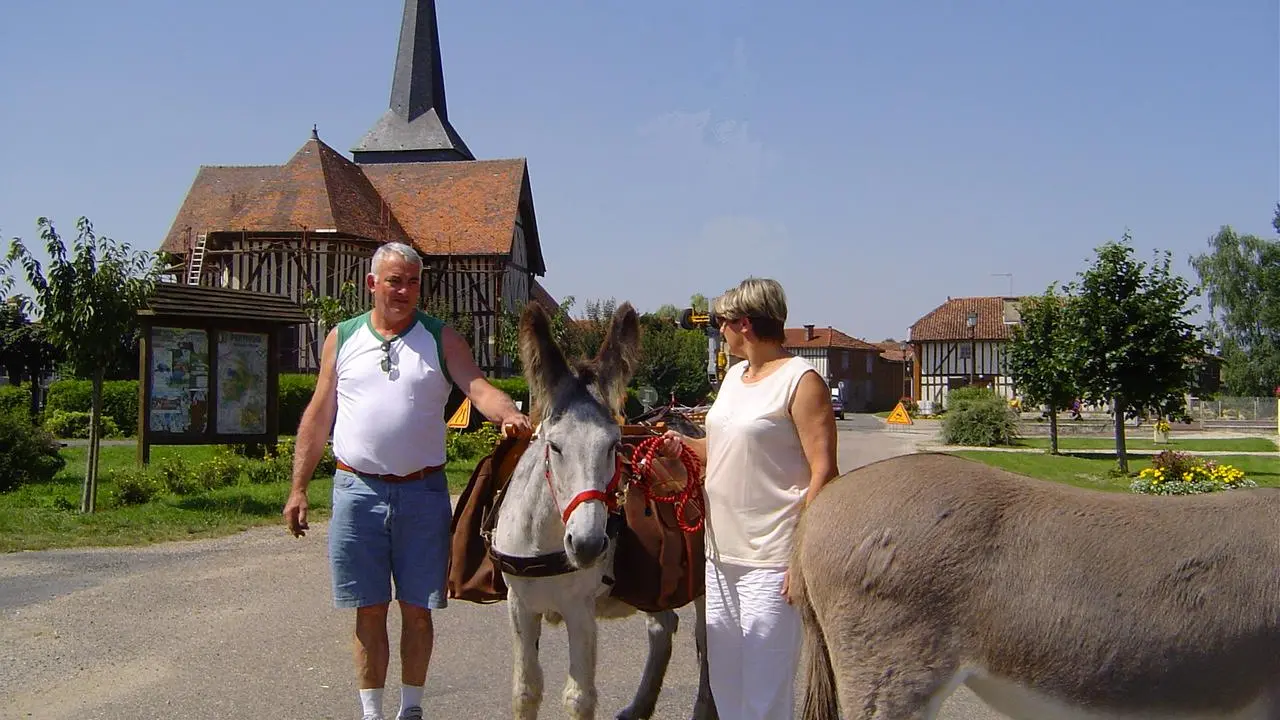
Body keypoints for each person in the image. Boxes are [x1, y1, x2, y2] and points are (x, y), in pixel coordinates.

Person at [283, 241, 531, 720]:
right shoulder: (343, 337)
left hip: (423, 493)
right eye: (394, 280)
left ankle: (411, 710)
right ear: (373, 284)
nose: (403, 290)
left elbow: (477, 387)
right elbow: (318, 415)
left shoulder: (441, 338)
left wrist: (508, 413)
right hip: (357, 492)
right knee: (369, 608)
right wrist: (298, 488)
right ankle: (372, 713)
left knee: (418, 609)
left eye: (413, 281)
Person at [661, 277, 838, 719]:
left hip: (773, 561)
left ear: (744, 324)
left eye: (722, 322)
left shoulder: (802, 381)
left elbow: (825, 471)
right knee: (725, 688)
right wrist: (680, 447)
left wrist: (802, 560)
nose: (718, 330)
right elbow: (720, 451)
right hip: (721, 556)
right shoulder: (735, 377)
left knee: (764, 697)